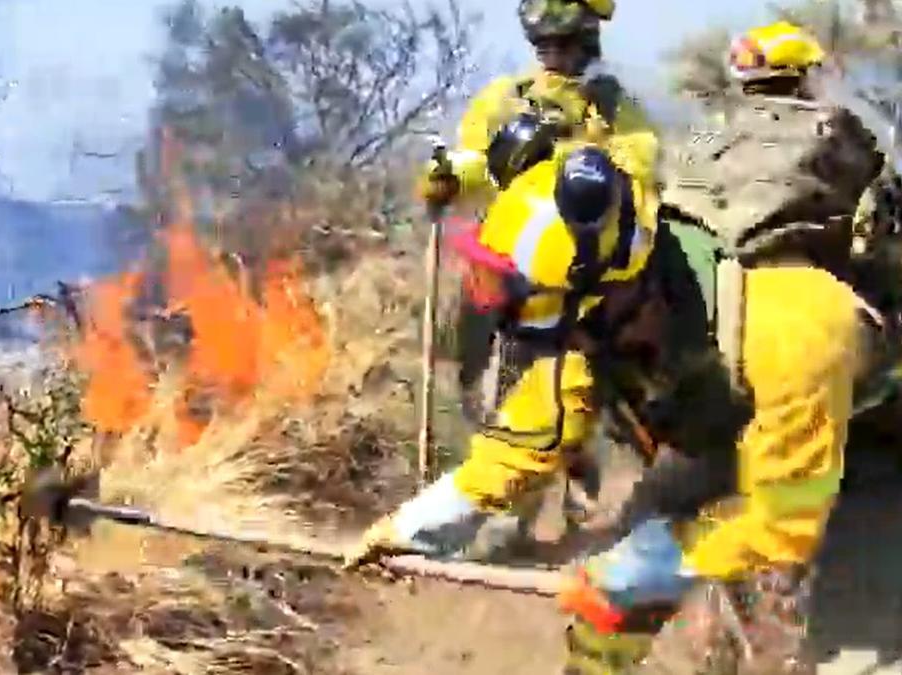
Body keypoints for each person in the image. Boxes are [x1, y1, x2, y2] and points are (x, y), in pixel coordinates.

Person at [349, 20, 893, 673]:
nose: (564, 347)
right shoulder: (602, 314)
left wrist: (651, 561)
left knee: (855, 646)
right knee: (613, 608)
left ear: (605, 298)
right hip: (726, 422)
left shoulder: (794, 327)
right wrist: (412, 529)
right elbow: (524, 441)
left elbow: (784, 522)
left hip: (867, 447)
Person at [426, 0, 660, 427]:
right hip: (509, 261)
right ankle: (481, 416)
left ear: (586, 42)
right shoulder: (506, 98)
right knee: (489, 368)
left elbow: (642, 164)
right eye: (544, 47)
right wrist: (449, 176)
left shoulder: (609, 104)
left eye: (562, 46)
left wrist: (575, 156)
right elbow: (476, 159)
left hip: (587, 269)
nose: (552, 57)